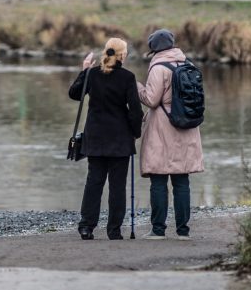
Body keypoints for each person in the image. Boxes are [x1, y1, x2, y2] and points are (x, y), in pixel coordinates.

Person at [68, 38, 144, 240]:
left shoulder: (92, 74)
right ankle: (114, 230)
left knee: (94, 182)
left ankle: (86, 227)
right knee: (117, 186)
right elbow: (136, 112)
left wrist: (84, 70)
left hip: (95, 138)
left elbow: (75, 94)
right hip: (120, 140)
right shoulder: (128, 77)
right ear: (123, 55)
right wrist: (136, 133)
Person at [137, 29, 204, 241]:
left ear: (154, 49)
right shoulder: (188, 65)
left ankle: (158, 230)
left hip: (163, 129)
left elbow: (151, 99)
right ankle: (183, 231)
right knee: (181, 180)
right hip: (187, 127)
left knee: (158, 179)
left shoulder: (158, 68)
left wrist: (136, 86)